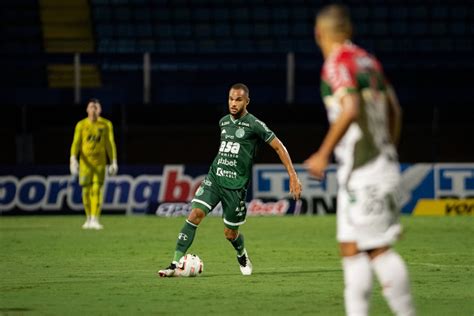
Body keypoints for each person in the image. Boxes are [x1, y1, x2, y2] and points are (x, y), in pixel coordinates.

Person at [304, 5, 415, 316]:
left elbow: (350, 108)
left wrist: (322, 154)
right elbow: (396, 110)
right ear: (349, 31)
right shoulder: (368, 61)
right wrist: (388, 149)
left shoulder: (336, 63)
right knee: (350, 249)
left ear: (318, 33)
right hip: (368, 168)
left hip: (367, 172)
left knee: (377, 250)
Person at [158, 83, 302, 277]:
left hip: (235, 187)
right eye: (231, 99)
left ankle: (241, 253)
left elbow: (279, 146)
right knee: (195, 214)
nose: (233, 103)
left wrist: (292, 175)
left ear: (247, 101)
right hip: (215, 178)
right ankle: (174, 264)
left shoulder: (254, 124)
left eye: (238, 100)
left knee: (230, 234)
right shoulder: (224, 122)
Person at [70, 98, 118, 230]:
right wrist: (73, 159)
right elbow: (76, 143)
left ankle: (95, 219)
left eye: (96, 107)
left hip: (99, 164)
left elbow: (110, 144)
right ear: (87, 109)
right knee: (85, 191)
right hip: (85, 165)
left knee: (97, 189)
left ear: (100, 110)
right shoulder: (81, 125)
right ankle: (88, 219)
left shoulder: (106, 124)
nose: (94, 110)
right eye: (91, 107)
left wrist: (113, 161)